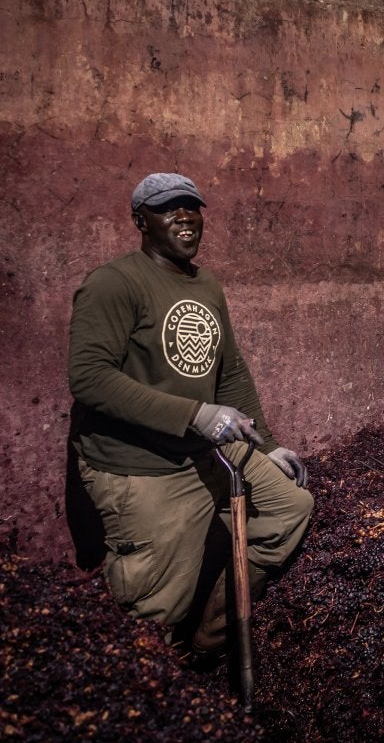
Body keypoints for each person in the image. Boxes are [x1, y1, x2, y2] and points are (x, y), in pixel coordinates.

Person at [68, 172, 313, 656]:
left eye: (191, 206)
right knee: (155, 609)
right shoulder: (114, 283)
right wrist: (195, 414)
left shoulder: (206, 285)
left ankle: (207, 644)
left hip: (208, 452)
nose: (184, 216)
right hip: (143, 468)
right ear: (141, 221)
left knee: (290, 509)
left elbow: (231, 373)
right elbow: (89, 378)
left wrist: (265, 443)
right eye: (167, 208)